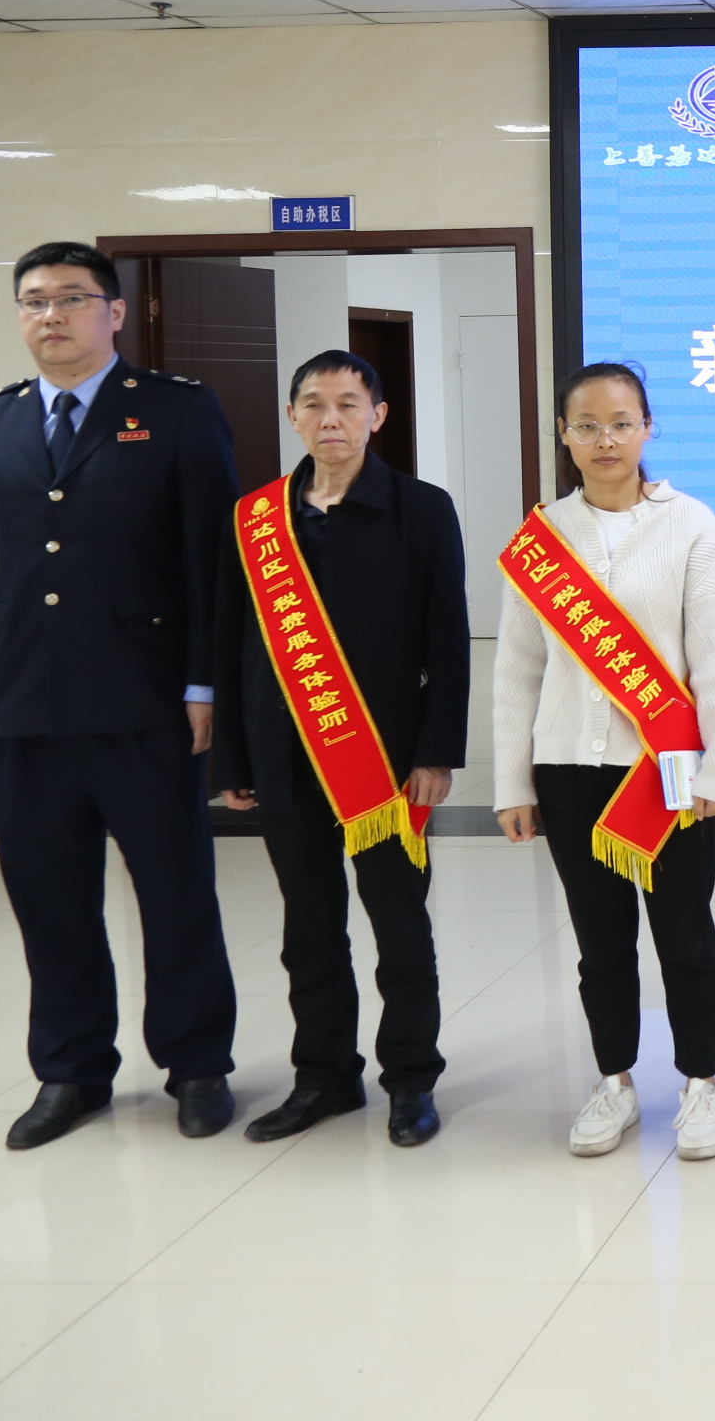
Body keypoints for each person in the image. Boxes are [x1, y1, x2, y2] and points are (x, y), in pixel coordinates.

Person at [0, 242, 241, 1150]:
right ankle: (71, 1070)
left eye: (72, 298)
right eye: (34, 300)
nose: (52, 315)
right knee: (48, 898)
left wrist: (204, 681)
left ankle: (196, 1064)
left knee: (175, 894)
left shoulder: (176, 410)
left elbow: (211, 559)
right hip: (26, 705)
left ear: (113, 313)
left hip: (147, 700)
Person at [212, 351, 468, 1148]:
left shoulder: (421, 509)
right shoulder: (256, 519)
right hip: (283, 759)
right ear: (292, 416)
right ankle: (323, 1077)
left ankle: (411, 1080)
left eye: (349, 404)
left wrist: (436, 752)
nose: (331, 419)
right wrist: (232, 761)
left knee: (400, 927)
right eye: (314, 404)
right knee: (308, 932)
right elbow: (231, 642)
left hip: (384, 761)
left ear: (377, 416)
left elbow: (448, 639)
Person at [494, 361, 715, 1161]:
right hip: (568, 770)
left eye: (622, 423)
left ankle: (702, 1083)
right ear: (563, 434)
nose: (606, 440)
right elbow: (516, 670)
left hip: (669, 769)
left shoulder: (691, 524)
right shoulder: (541, 541)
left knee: (685, 935)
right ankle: (615, 1082)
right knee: (599, 944)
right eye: (588, 425)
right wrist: (511, 782)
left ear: (647, 428)